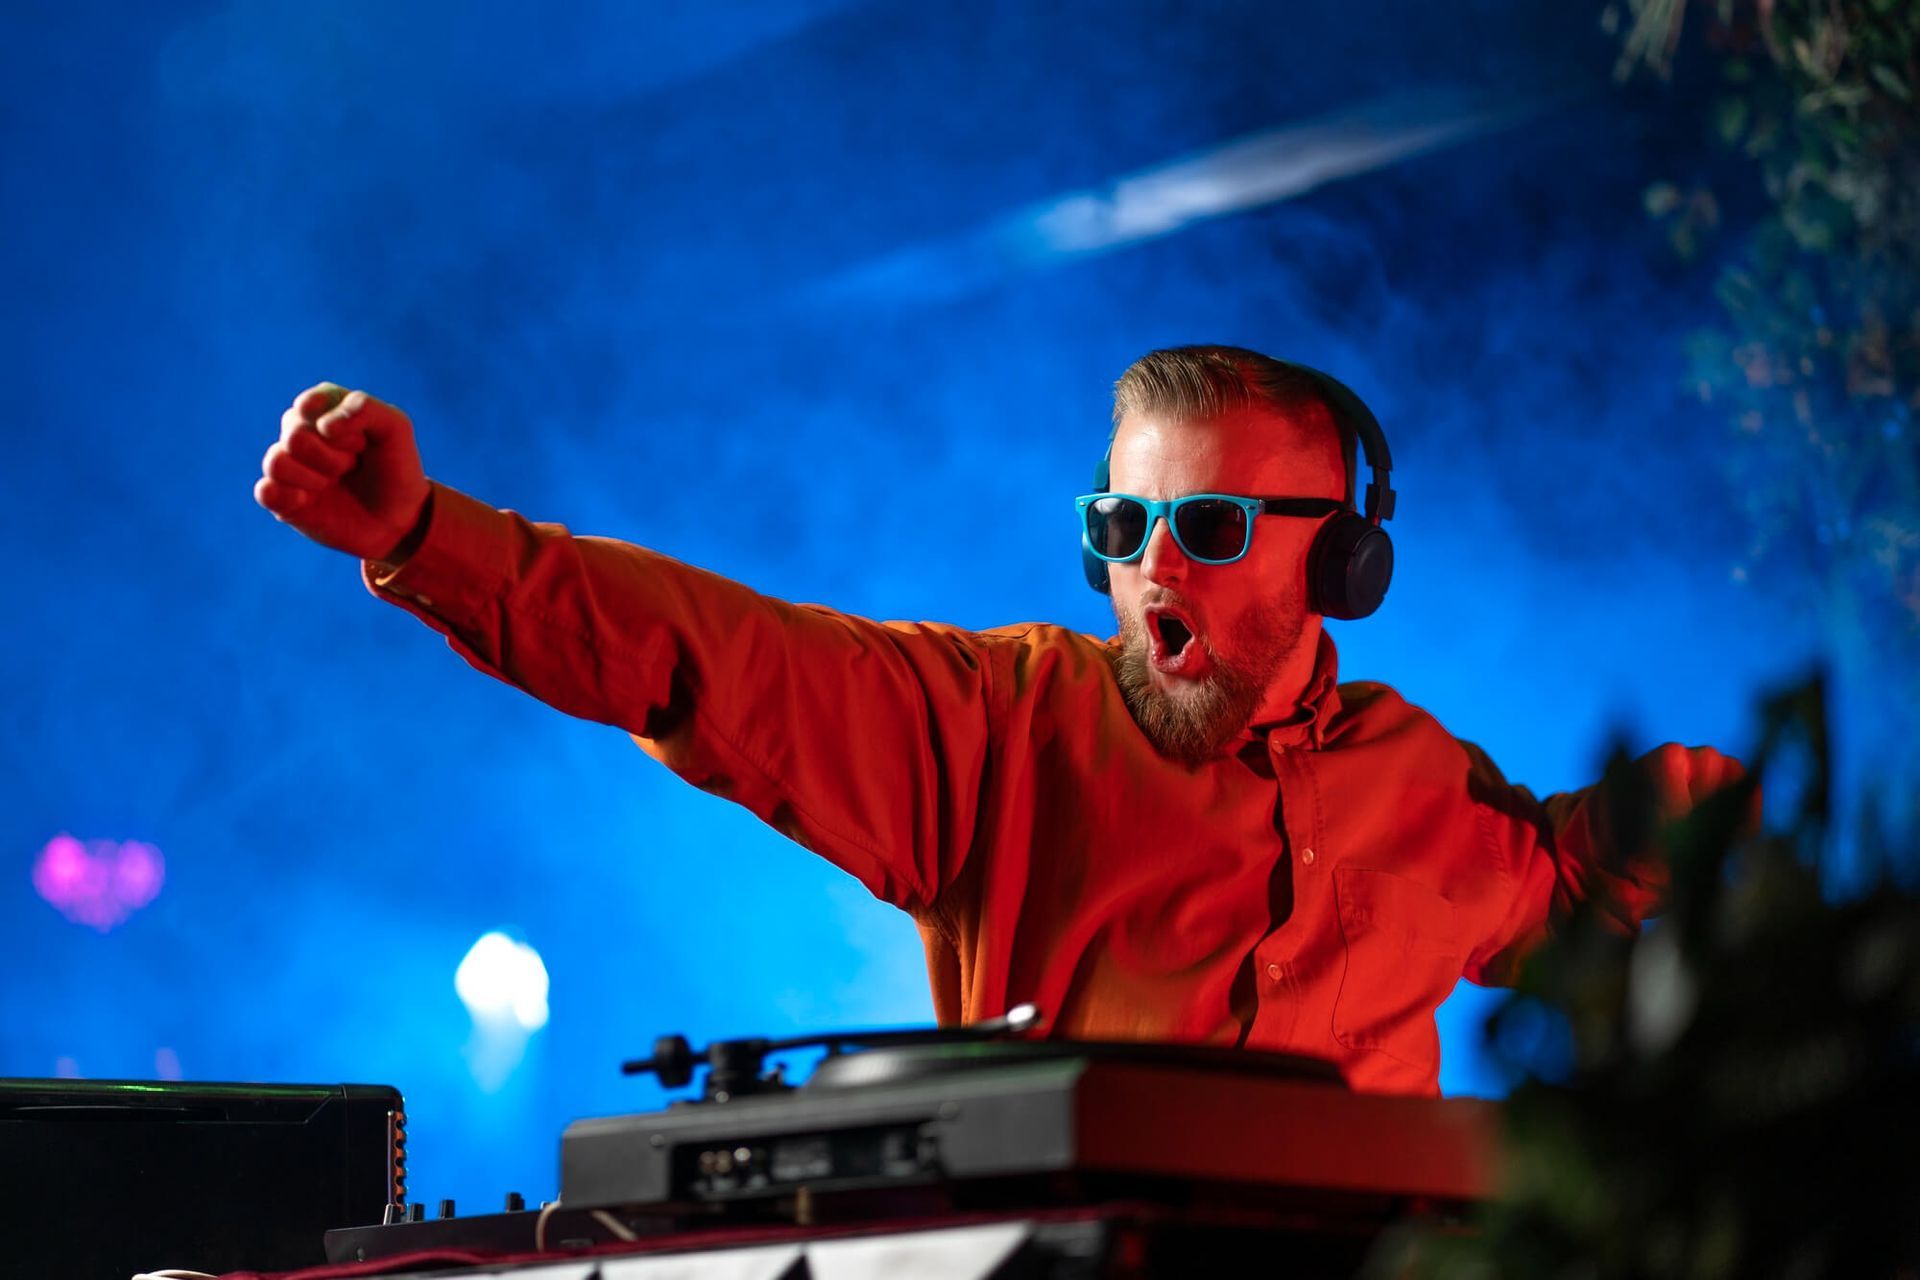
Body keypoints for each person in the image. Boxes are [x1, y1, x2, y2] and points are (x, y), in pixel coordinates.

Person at [253, 345, 1745, 1096]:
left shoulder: (1425, 779)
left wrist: (1627, 838)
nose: (1153, 561)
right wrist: (435, 537)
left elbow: (1557, 907)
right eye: (1125, 520)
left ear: (1342, 560)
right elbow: (714, 660)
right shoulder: (998, 725)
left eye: (1212, 523)